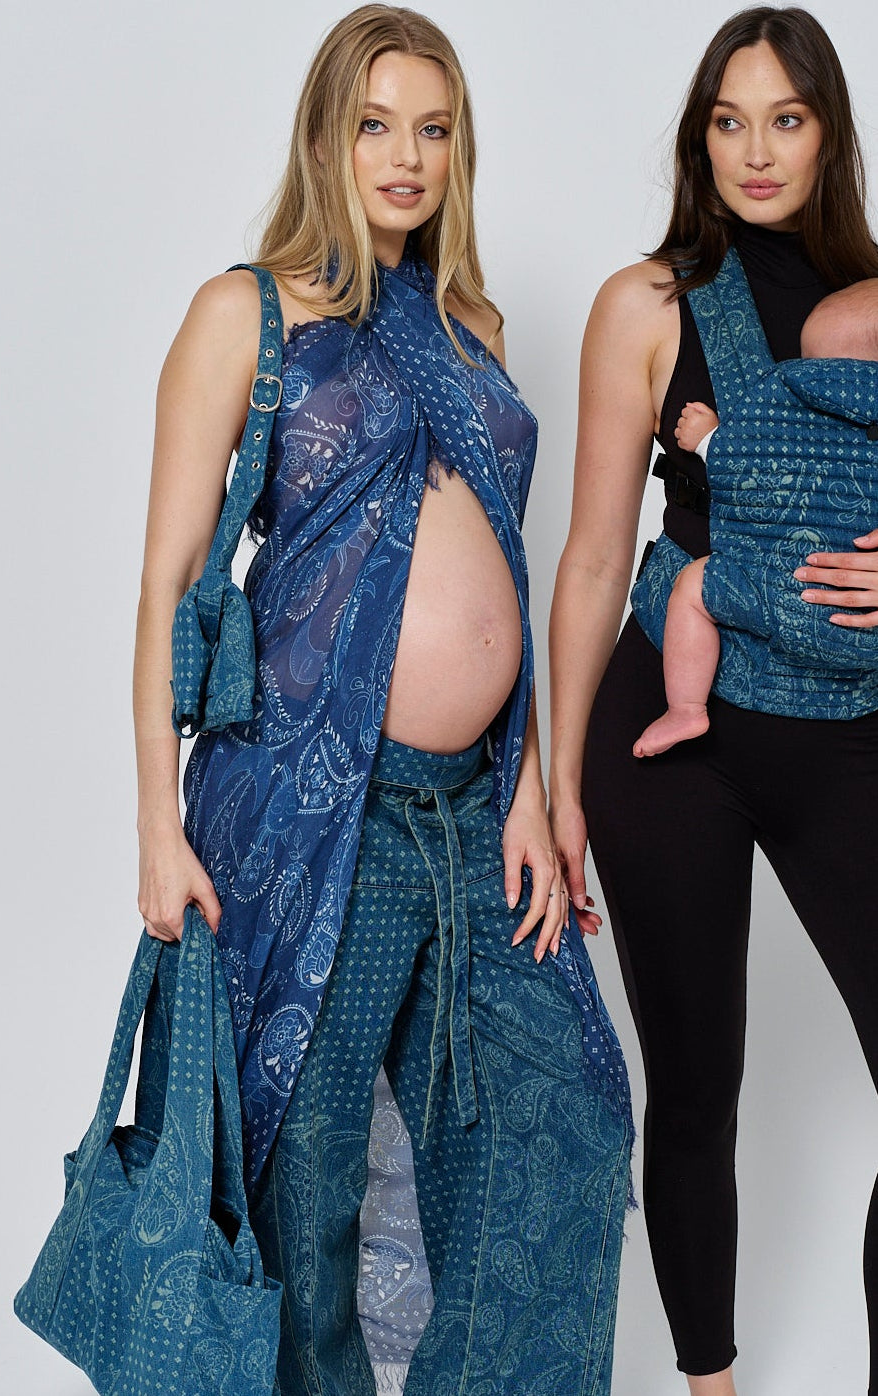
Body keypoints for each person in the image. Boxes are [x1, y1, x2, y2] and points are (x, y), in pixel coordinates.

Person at [133, 7, 632, 1396]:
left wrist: (534, 784)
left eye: (432, 127)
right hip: (310, 809)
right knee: (306, 1172)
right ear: (326, 136)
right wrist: (151, 830)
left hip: (476, 815)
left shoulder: (469, 324)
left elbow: (508, 575)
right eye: (375, 124)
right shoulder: (245, 309)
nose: (404, 157)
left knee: (559, 1128)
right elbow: (169, 587)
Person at [549, 7, 878, 1394]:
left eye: (786, 120)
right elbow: (586, 553)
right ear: (699, 137)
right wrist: (552, 789)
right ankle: (709, 1384)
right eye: (727, 121)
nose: (755, 151)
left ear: (829, 134)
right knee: (691, 1093)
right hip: (666, 728)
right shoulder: (648, 305)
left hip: (845, 724)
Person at [635, 277, 878, 757]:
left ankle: (685, 708)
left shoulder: (797, 407)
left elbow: (755, 468)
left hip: (775, 593)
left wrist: (708, 439)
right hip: (864, 635)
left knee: (692, 588)